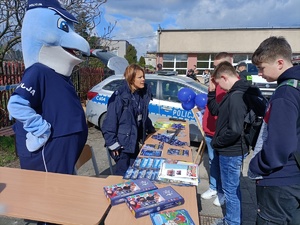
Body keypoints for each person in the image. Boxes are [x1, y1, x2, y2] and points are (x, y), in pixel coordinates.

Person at [248, 36, 300, 224]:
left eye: (262, 68)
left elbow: (281, 144)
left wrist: (257, 165)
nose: (260, 73)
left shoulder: (285, 93)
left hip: (279, 183)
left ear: (280, 62)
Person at [208, 61, 251, 225]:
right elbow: (216, 110)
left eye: (219, 83)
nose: (221, 88)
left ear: (225, 77)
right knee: (233, 189)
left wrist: (217, 142)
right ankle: (233, 219)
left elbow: (234, 130)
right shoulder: (234, 93)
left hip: (230, 152)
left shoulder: (236, 96)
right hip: (230, 150)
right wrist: (212, 92)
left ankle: (232, 222)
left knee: (230, 191)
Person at [102, 64, 156, 176]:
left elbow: (143, 116)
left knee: (133, 173)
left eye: (143, 77)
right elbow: (109, 122)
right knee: (122, 177)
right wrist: (112, 144)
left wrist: (151, 130)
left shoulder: (140, 95)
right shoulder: (119, 97)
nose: (143, 80)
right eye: (140, 77)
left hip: (133, 142)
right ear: (131, 79)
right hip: (122, 145)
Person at [201, 52, 230, 207]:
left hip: (221, 133)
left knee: (224, 165)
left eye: (219, 66)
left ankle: (223, 192)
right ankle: (214, 187)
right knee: (213, 162)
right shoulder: (215, 82)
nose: (216, 69)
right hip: (209, 130)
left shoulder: (229, 85)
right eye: (214, 66)